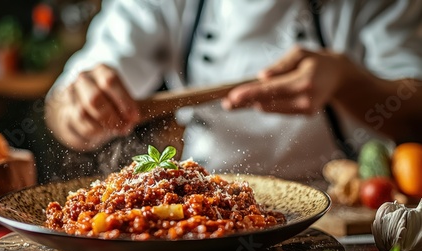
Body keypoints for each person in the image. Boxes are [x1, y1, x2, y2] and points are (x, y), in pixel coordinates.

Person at [45, 0, 422, 181]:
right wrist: (78, 109)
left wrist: (347, 80)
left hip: (347, 208)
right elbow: (63, 104)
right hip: (209, 199)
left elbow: (415, 117)